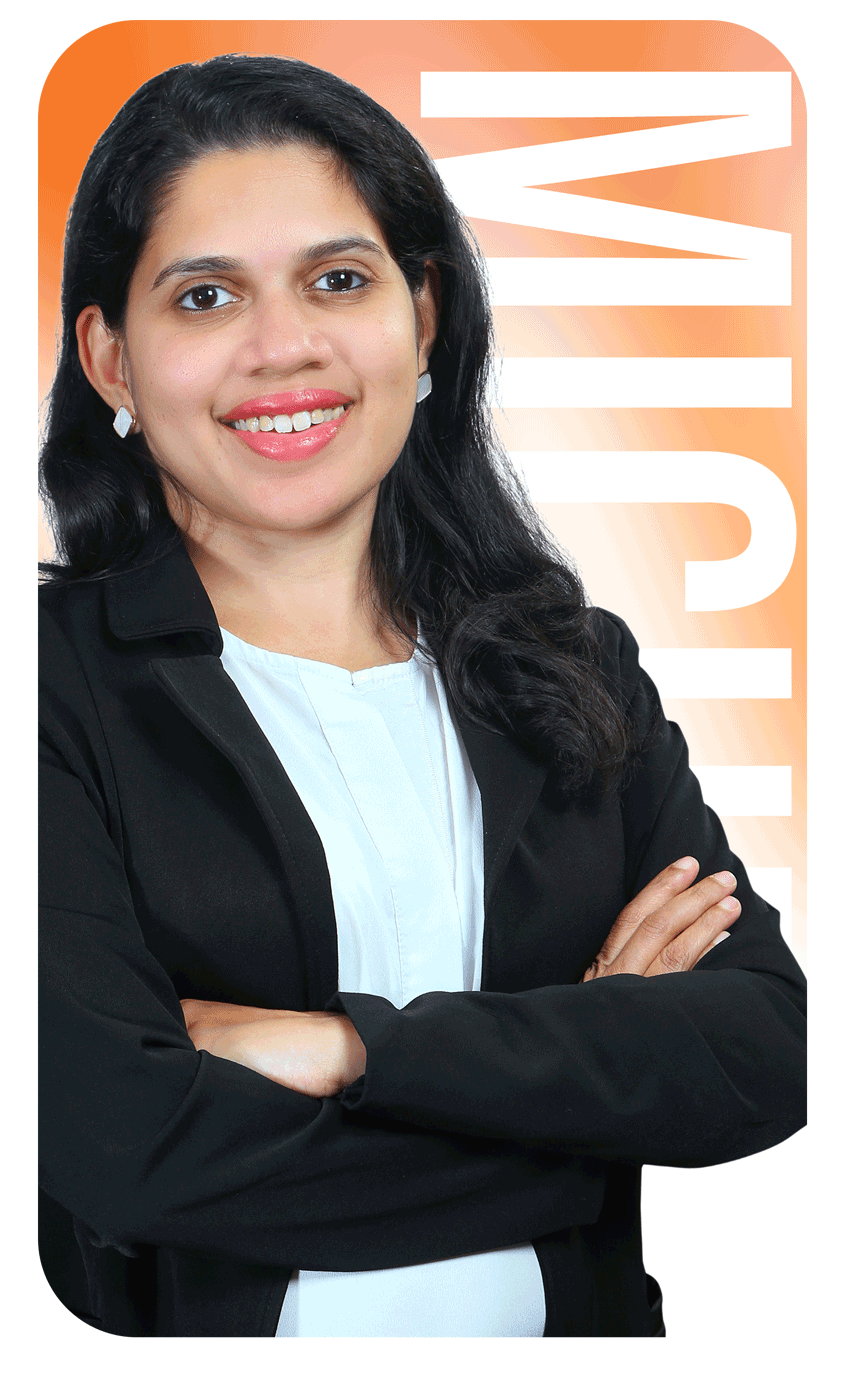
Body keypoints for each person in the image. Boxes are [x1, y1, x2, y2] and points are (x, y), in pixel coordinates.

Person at [38, 53, 806, 1339]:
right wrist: (586, 1084)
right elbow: (124, 1149)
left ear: (424, 314)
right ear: (111, 357)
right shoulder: (44, 687)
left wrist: (350, 1049)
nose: (284, 347)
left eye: (339, 280)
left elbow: (764, 1048)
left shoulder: (570, 663)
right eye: (206, 295)